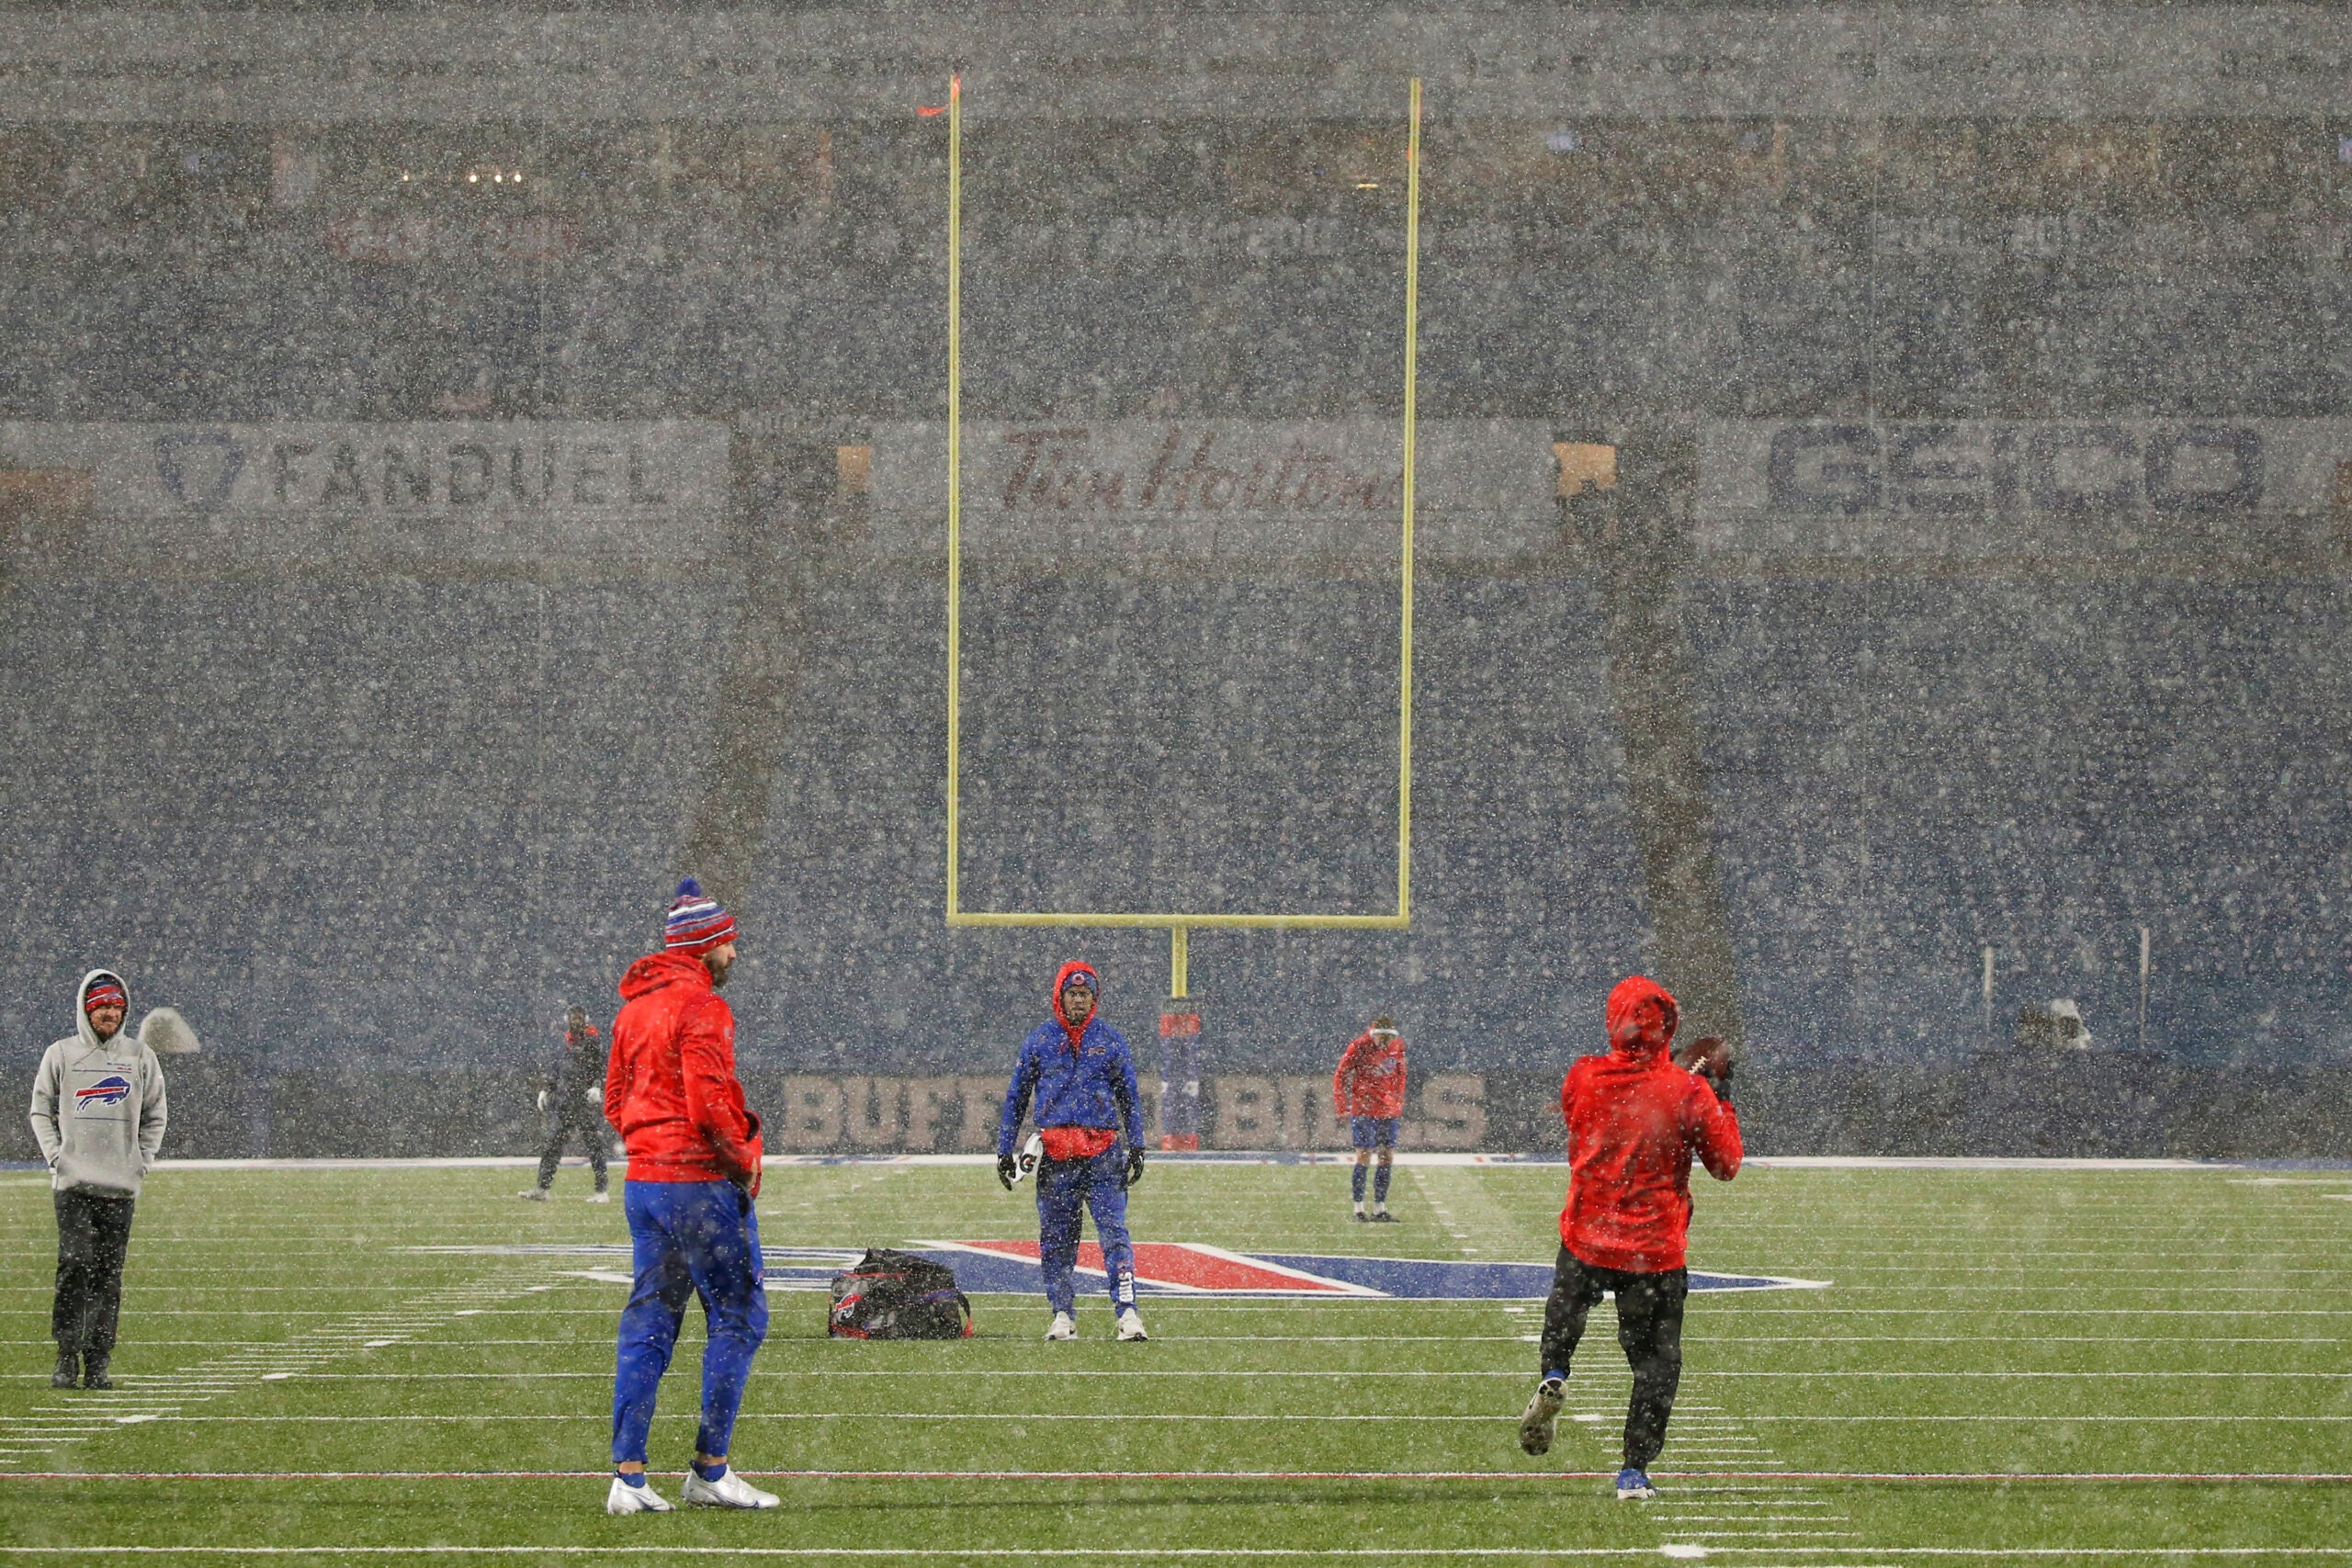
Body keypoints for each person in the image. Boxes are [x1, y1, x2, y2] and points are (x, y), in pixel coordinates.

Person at [1518, 975, 1740, 1501]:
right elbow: (1726, 1164)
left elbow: (1589, 1118)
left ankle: (1555, 1370)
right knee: (1655, 1364)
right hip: (1653, 1250)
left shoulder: (1584, 1076)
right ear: (1669, 1028)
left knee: (1565, 1311)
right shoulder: (1688, 1091)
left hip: (1588, 1237)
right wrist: (1719, 1096)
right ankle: (1633, 1470)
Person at [603, 877, 775, 1514]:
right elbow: (708, 1109)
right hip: (696, 1183)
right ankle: (710, 1467)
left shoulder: (633, 1009)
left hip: (645, 1184)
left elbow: (618, 1103)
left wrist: (651, 1145)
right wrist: (744, 1157)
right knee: (739, 1316)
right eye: (727, 942)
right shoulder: (701, 1007)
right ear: (704, 945)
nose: (734, 954)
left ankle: (628, 1476)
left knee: (649, 1323)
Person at [28, 969, 169, 1391]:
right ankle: (66, 1355)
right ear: (86, 1011)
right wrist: (57, 1157)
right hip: (74, 1186)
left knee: (109, 1275)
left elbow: (155, 1114)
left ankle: (99, 1359)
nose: (108, 1013)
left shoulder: (140, 1057)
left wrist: (140, 1161)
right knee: (74, 1264)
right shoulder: (61, 1054)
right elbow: (40, 1110)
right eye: (100, 1006)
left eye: (114, 1006)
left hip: (119, 1187)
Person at [997, 961, 1149, 1343]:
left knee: (1114, 1234)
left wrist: (1138, 1145)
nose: (1079, 1000)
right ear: (1060, 996)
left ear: (1094, 999)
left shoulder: (1111, 1040)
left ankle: (1128, 1312)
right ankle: (1062, 1313)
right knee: (1056, 1239)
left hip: (1103, 1154)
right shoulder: (1039, 1041)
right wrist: (1004, 1149)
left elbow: (1129, 1098)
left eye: (1085, 994)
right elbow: (1016, 1098)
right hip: (1057, 1157)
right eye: (1073, 994)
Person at [522, 1005, 612, 1202]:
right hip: (566, 1102)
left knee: (593, 1145)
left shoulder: (592, 1040)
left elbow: (600, 1067)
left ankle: (601, 1190)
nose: (576, 1021)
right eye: (573, 1017)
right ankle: (542, 1188)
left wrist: (597, 1086)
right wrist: (547, 1089)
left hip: (584, 1102)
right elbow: (559, 1068)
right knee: (553, 1145)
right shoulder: (567, 1041)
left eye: (579, 1017)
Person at [1332, 1015, 1407, 1221]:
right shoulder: (1359, 1046)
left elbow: (1401, 1072)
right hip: (1364, 1109)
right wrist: (1342, 1105)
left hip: (1387, 1111)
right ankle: (1358, 1209)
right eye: (1381, 1038)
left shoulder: (1398, 1045)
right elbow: (1340, 1074)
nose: (1385, 1043)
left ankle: (1379, 1208)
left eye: (1388, 1039)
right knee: (1364, 1155)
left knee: (1386, 1157)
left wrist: (1397, 1099)